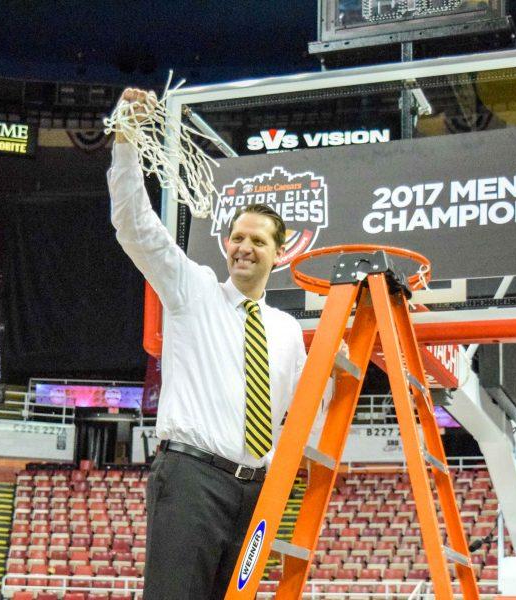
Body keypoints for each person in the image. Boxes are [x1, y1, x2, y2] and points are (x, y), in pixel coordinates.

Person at [108, 88, 331, 600]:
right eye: (237, 237)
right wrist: (126, 139)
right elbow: (134, 226)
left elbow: (301, 412)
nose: (244, 247)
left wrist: (284, 470)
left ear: (280, 253)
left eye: (257, 240)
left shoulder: (287, 330)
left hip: (258, 490)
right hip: (192, 479)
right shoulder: (193, 289)